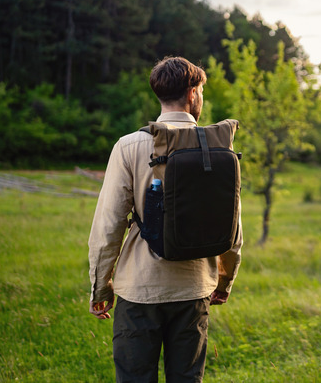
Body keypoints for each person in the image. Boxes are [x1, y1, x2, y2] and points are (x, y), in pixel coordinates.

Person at [88, 56, 242, 382]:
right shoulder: (216, 149)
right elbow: (232, 227)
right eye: (201, 90)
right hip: (194, 288)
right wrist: (224, 281)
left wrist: (101, 287)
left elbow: (108, 226)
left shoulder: (128, 146)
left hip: (139, 290)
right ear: (192, 94)